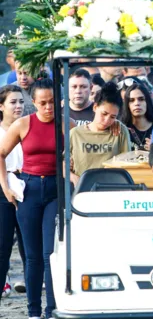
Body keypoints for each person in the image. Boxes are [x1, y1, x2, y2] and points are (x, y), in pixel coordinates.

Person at [0, 79, 62, 319]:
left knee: (50, 254)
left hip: (55, 190)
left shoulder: (65, 124)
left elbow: (84, 142)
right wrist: (5, 186)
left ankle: (52, 309)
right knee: (33, 255)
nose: (48, 108)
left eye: (52, 102)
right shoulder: (23, 124)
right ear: (33, 102)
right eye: (43, 103)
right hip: (30, 188)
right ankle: (34, 311)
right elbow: (2, 154)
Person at [69, 82, 131, 185]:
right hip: (82, 189)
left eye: (112, 117)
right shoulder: (75, 134)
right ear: (95, 107)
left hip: (111, 188)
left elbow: (126, 164)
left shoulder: (120, 131)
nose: (107, 120)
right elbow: (63, 163)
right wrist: (73, 177)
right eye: (104, 114)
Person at [0, 85, 26, 304]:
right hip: (2, 189)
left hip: (27, 186)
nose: (18, 106)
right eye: (13, 102)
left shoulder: (28, 127)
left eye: (21, 102)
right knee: (3, 245)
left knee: (29, 246)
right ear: (1, 106)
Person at [122, 82, 153, 151]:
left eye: (141, 99)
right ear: (127, 104)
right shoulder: (121, 129)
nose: (137, 103)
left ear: (147, 102)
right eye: (131, 100)